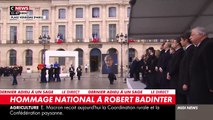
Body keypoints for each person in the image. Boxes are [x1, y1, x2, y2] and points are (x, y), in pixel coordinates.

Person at [189, 26, 213, 104]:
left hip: (204, 86)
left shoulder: (209, 44)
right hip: (197, 84)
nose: (190, 37)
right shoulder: (200, 46)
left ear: (201, 34)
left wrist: (211, 85)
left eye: (192, 35)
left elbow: (210, 66)